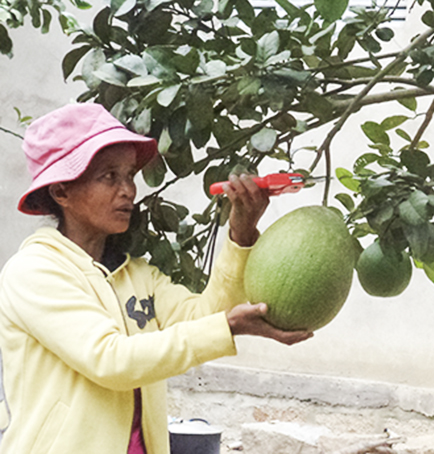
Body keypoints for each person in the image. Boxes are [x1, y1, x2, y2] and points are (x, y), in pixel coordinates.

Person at [0, 103, 313, 454]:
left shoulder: (135, 274)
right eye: (109, 176)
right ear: (61, 192)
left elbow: (205, 317)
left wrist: (240, 234)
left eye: (129, 174)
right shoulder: (33, 271)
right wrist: (229, 327)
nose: (129, 190)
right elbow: (110, 360)